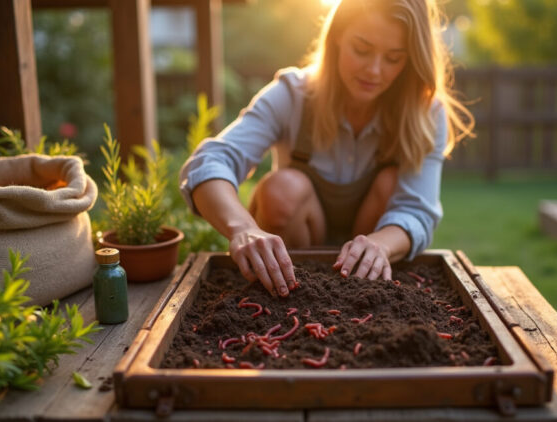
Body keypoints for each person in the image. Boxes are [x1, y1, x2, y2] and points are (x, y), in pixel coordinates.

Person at [179, 0, 473, 298]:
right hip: (294, 266)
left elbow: (417, 211)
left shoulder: (425, 113)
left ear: (410, 60)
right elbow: (208, 162)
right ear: (336, 39)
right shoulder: (292, 95)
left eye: (394, 58)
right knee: (282, 190)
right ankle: (289, 293)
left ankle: (363, 285)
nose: (374, 70)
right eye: (361, 49)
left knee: (391, 183)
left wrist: (381, 244)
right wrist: (242, 228)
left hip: (372, 275)